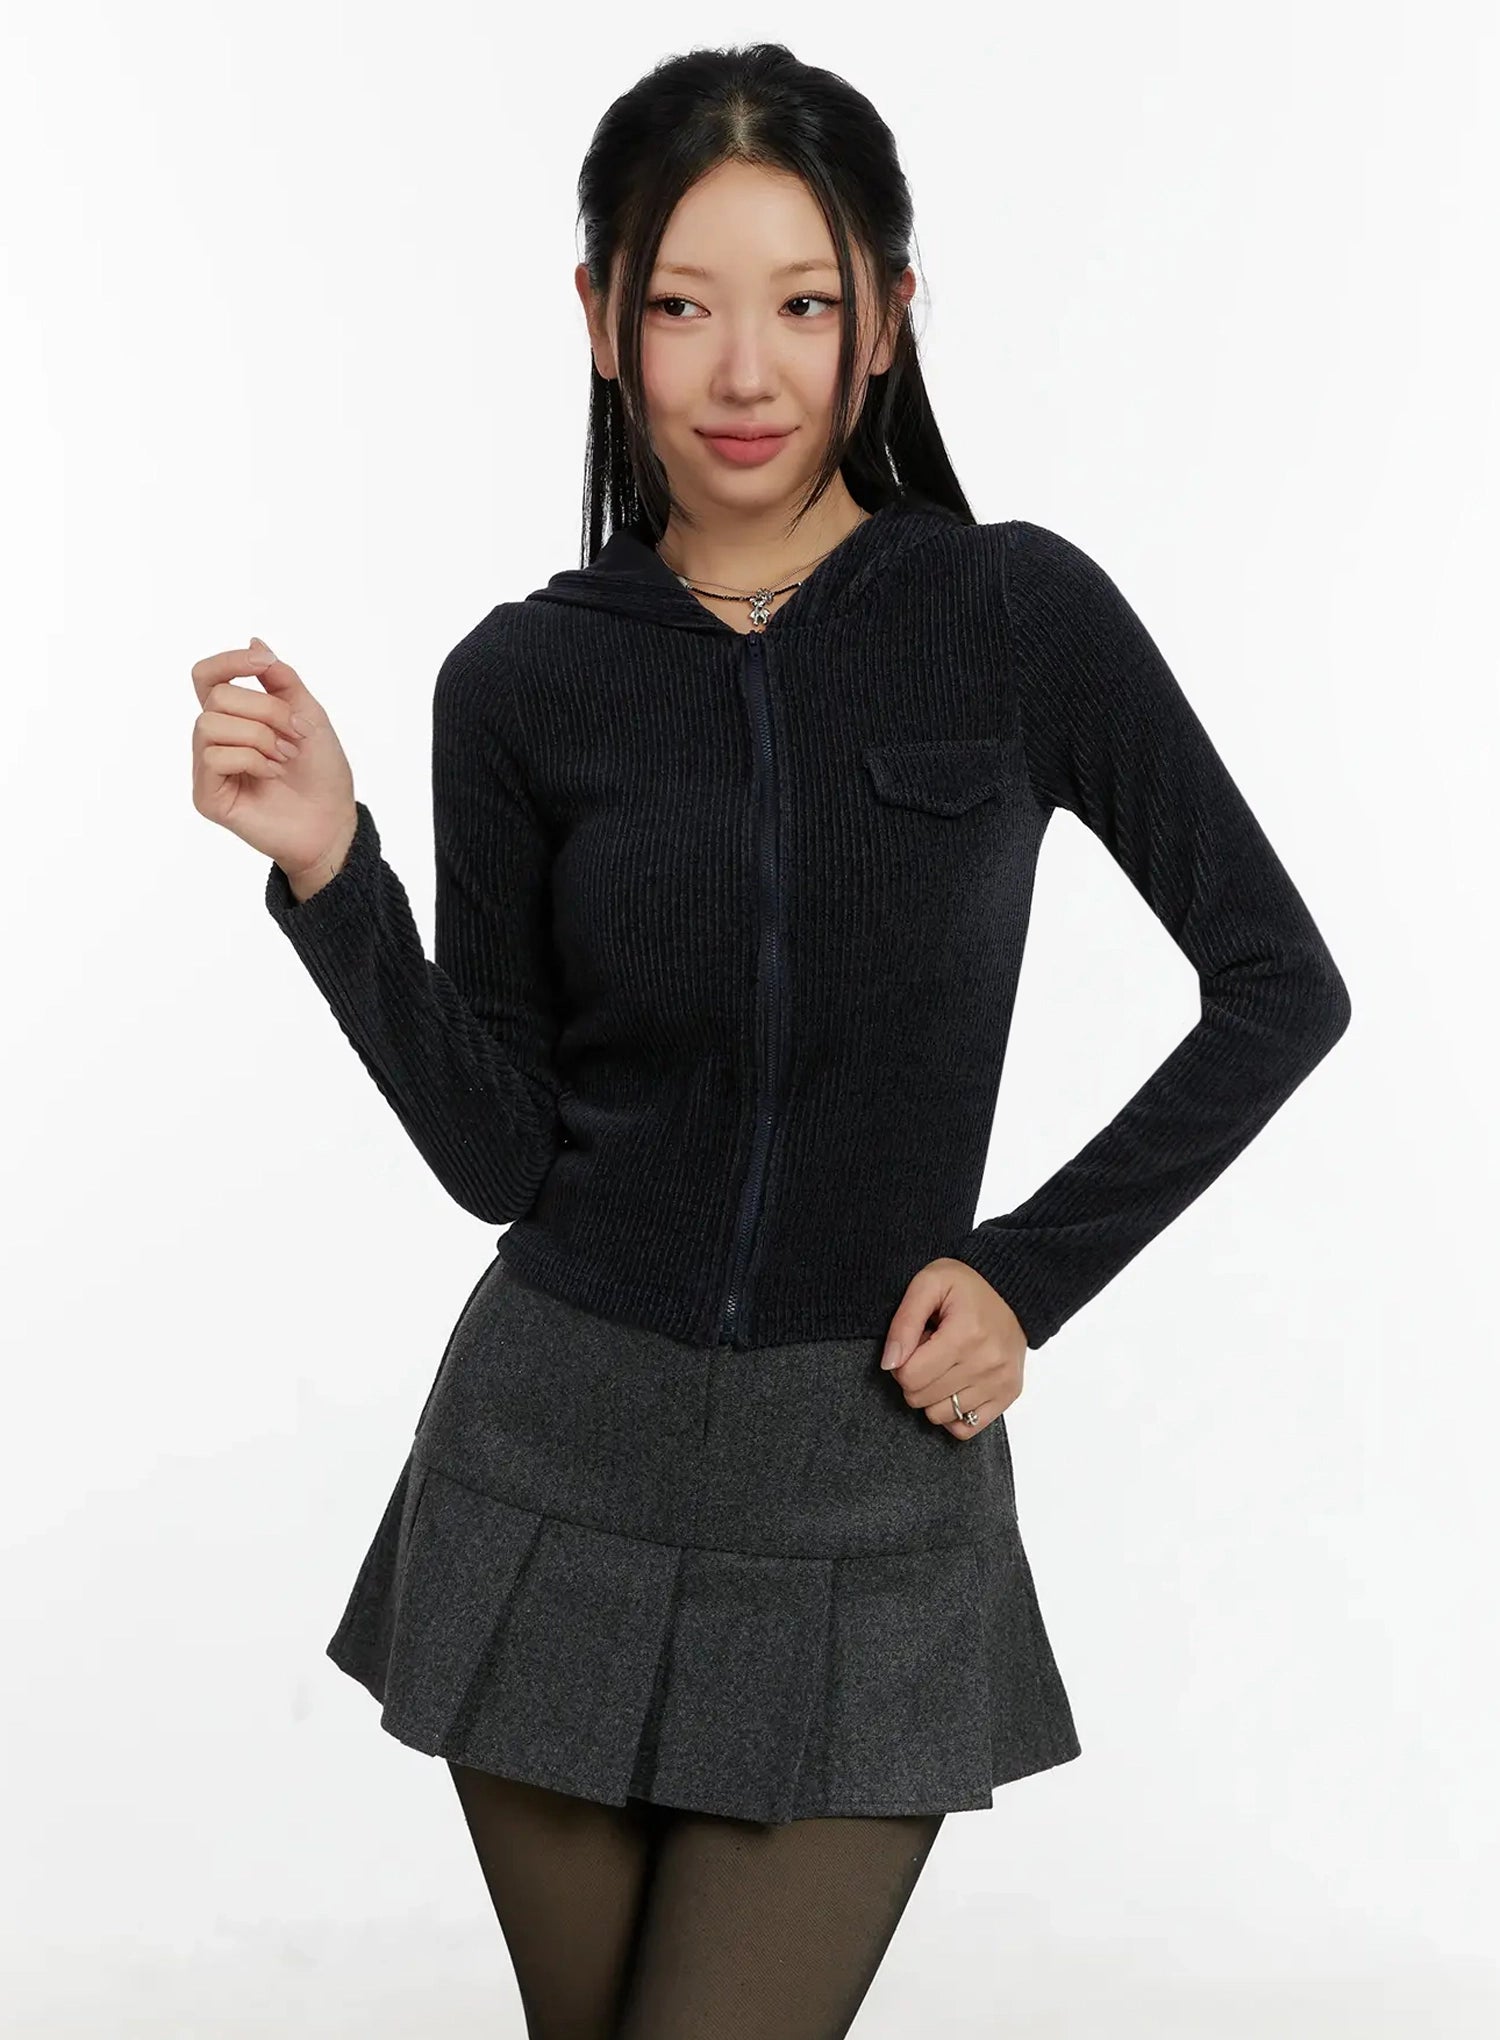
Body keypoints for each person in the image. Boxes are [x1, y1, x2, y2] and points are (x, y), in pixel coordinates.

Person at [188, 41, 1351, 2040]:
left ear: (887, 318)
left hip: (863, 1485)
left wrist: (1028, 1275)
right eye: (682, 305)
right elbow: (499, 1150)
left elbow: (1277, 984)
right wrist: (331, 871)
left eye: (804, 304)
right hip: (552, 1460)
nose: (746, 371)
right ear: (600, 320)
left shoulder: (1015, 617)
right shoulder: (524, 678)